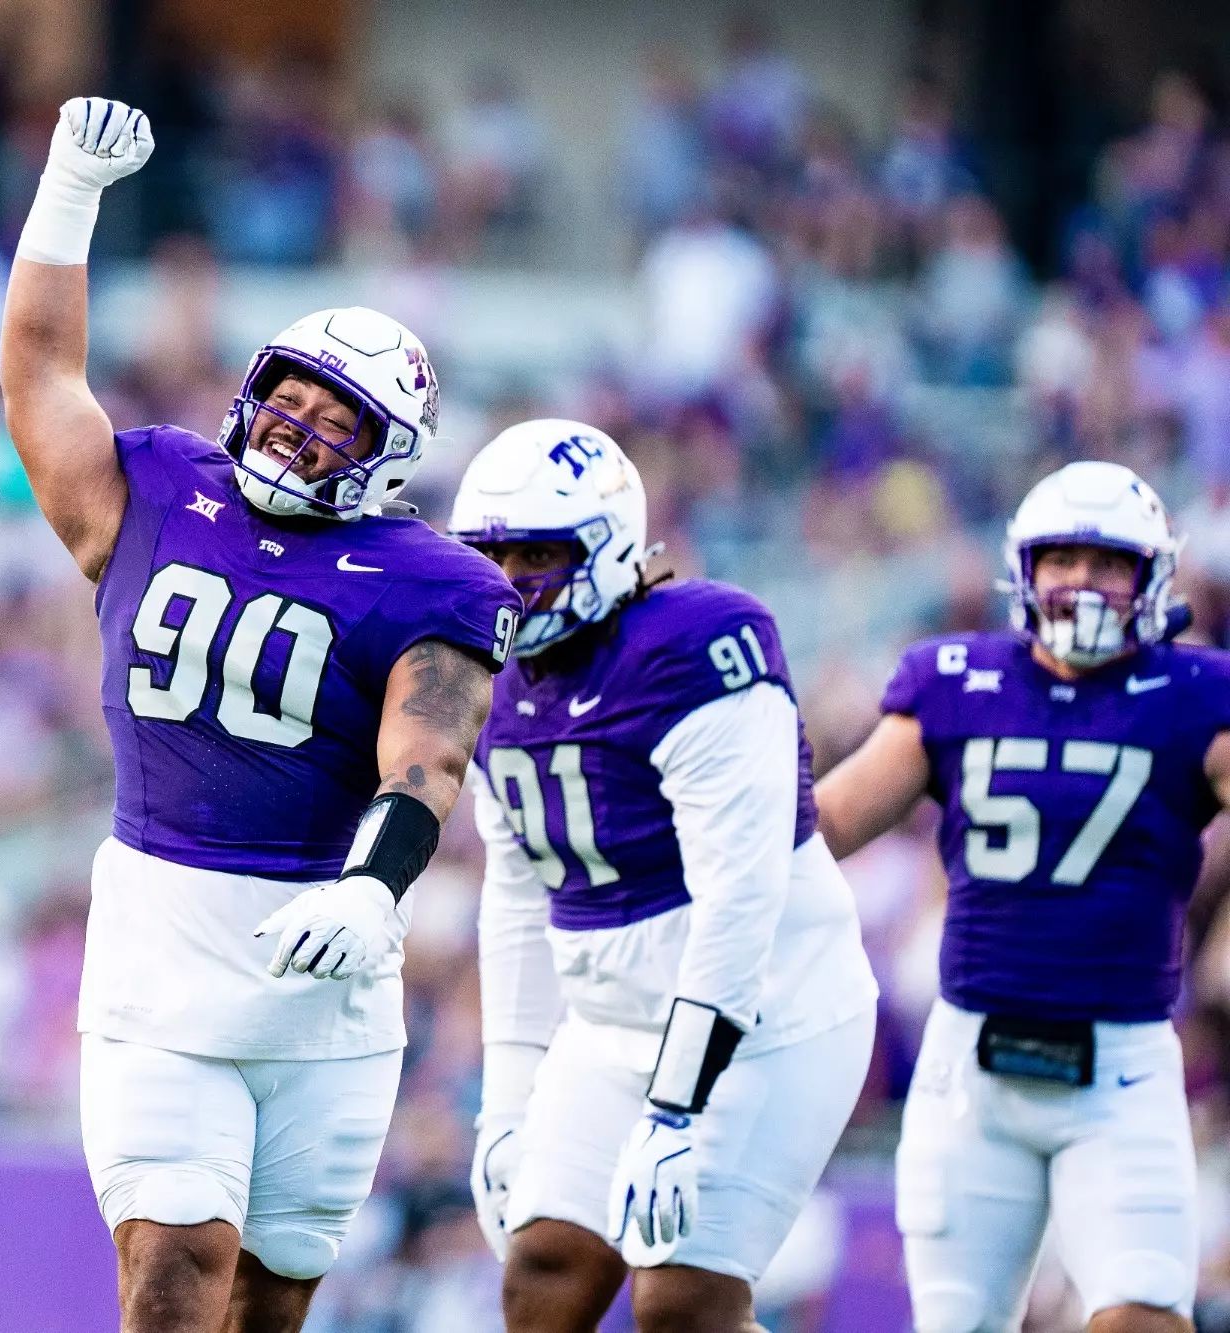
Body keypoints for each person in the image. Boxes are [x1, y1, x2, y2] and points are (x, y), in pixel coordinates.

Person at [0, 97, 520, 1333]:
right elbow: (40, 373)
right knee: (173, 1266)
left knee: (268, 1304)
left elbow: (426, 761)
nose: (299, 425)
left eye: (338, 420)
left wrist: (370, 888)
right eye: (290, 396)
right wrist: (67, 191)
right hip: (162, 941)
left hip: (322, 966)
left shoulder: (435, 581)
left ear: (386, 455)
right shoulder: (156, 485)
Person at [451, 420, 877, 1333]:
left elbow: (740, 897)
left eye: (537, 554)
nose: (509, 579)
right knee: (543, 1271)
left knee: (684, 1299)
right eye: (491, 554)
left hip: (768, 1016)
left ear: (607, 548)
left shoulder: (695, 644)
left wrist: (677, 1106)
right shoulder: (488, 677)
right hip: (610, 1024)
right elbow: (518, 900)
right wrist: (507, 1106)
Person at [817, 460, 1229, 1333]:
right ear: (1024, 569)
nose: (1083, 580)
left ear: (1152, 577)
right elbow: (833, 820)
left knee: (1144, 1318)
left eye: (1108, 561)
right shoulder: (954, 679)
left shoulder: (1198, 695)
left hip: (1121, 1067)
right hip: (973, 1068)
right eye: (1063, 558)